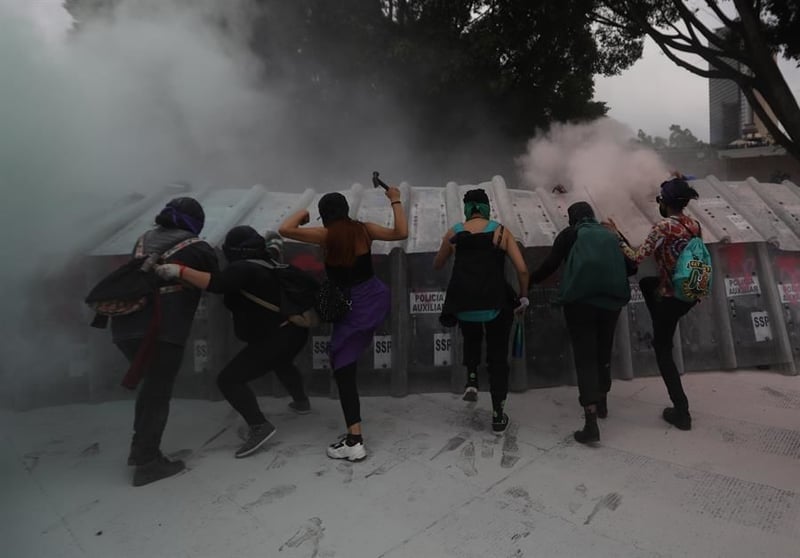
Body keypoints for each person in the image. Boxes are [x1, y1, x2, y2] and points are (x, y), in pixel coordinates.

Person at [155, 226, 312, 458]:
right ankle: (301, 402)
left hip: (275, 337)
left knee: (229, 380)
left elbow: (217, 284)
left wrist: (178, 270)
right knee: (282, 362)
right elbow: (273, 249)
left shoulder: (243, 268)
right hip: (294, 331)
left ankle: (259, 426)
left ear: (235, 250)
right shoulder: (268, 261)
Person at [279, 187, 408, 461]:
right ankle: (354, 435)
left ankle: (354, 440)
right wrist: (395, 199)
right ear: (346, 211)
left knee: (343, 366)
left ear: (325, 216)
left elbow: (284, 229)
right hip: (374, 298)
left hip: (350, 308)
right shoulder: (364, 230)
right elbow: (401, 232)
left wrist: (302, 214)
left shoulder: (325, 235)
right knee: (345, 360)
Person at [111, 197, 218, 487]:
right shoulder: (196, 247)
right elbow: (218, 282)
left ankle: (141, 450)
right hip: (161, 331)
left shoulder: (143, 240)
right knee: (157, 391)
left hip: (124, 326)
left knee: (150, 388)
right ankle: (147, 462)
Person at [530, 201, 632, 444]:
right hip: (611, 303)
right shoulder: (610, 233)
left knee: (585, 357)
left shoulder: (569, 234)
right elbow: (632, 265)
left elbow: (550, 266)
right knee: (603, 350)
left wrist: (529, 281)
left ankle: (590, 422)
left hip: (579, 304)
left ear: (572, 218)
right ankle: (603, 402)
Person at [604, 177, 701, 431]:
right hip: (690, 293)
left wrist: (617, 236)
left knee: (662, 351)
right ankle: (660, 322)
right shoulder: (694, 225)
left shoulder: (663, 227)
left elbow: (636, 257)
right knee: (649, 283)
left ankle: (682, 412)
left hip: (671, 297)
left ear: (665, 202)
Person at [434, 189, 530, 434]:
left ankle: (472, 378)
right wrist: (523, 295)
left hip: (464, 303)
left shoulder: (455, 232)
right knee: (498, 359)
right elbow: (522, 270)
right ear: (488, 207)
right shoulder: (500, 232)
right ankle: (498, 415)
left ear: (466, 208)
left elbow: (438, 264)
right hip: (497, 303)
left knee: (471, 335)